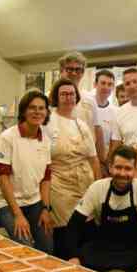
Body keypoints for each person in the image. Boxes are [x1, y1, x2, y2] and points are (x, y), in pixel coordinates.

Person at [65, 146, 137, 272]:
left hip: (134, 253)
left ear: (135, 169)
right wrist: (73, 256)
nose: (122, 173)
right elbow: (74, 225)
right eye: (118, 167)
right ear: (110, 167)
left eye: (128, 169)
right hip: (101, 251)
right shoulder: (97, 188)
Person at [0, 90, 53, 252]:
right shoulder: (8, 137)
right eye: (32, 108)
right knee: (27, 249)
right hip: (9, 204)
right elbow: (3, 177)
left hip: (34, 202)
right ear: (24, 111)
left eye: (41, 108)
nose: (37, 112)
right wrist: (18, 215)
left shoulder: (46, 140)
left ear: (47, 112)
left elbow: (46, 179)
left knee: (47, 249)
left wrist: (45, 209)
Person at [47, 79, 102, 258]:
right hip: (59, 186)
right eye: (63, 94)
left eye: (71, 94)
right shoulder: (48, 122)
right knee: (65, 231)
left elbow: (93, 160)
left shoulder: (82, 125)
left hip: (84, 184)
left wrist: (99, 188)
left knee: (86, 229)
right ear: (56, 97)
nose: (68, 98)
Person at [58, 52, 106, 166]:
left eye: (78, 70)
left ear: (83, 73)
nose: (74, 73)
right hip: (59, 161)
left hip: (85, 160)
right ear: (61, 71)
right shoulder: (49, 98)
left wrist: (102, 162)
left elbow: (97, 130)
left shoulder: (90, 100)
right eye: (69, 69)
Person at [89, 69, 120, 171]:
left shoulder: (116, 112)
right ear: (95, 84)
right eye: (103, 83)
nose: (106, 87)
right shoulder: (86, 106)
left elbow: (114, 141)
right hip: (85, 160)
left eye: (110, 84)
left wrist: (107, 163)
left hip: (105, 162)